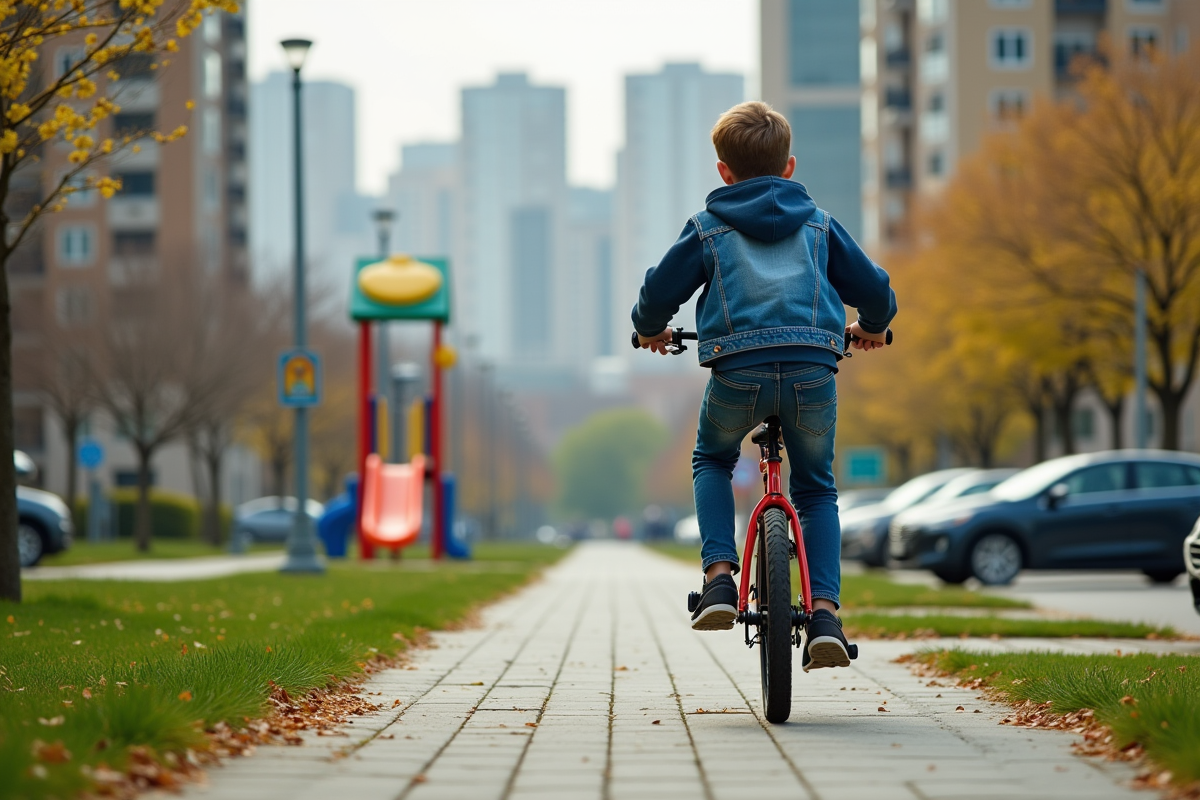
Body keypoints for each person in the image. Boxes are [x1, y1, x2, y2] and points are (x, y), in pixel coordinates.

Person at [632, 101, 896, 672]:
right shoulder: (821, 225)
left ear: (723, 171)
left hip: (737, 371)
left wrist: (649, 329)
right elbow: (875, 289)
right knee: (817, 488)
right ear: (790, 166)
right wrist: (870, 329)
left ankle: (720, 577)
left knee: (711, 459)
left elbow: (659, 293)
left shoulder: (707, 228)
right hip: (811, 371)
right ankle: (825, 615)